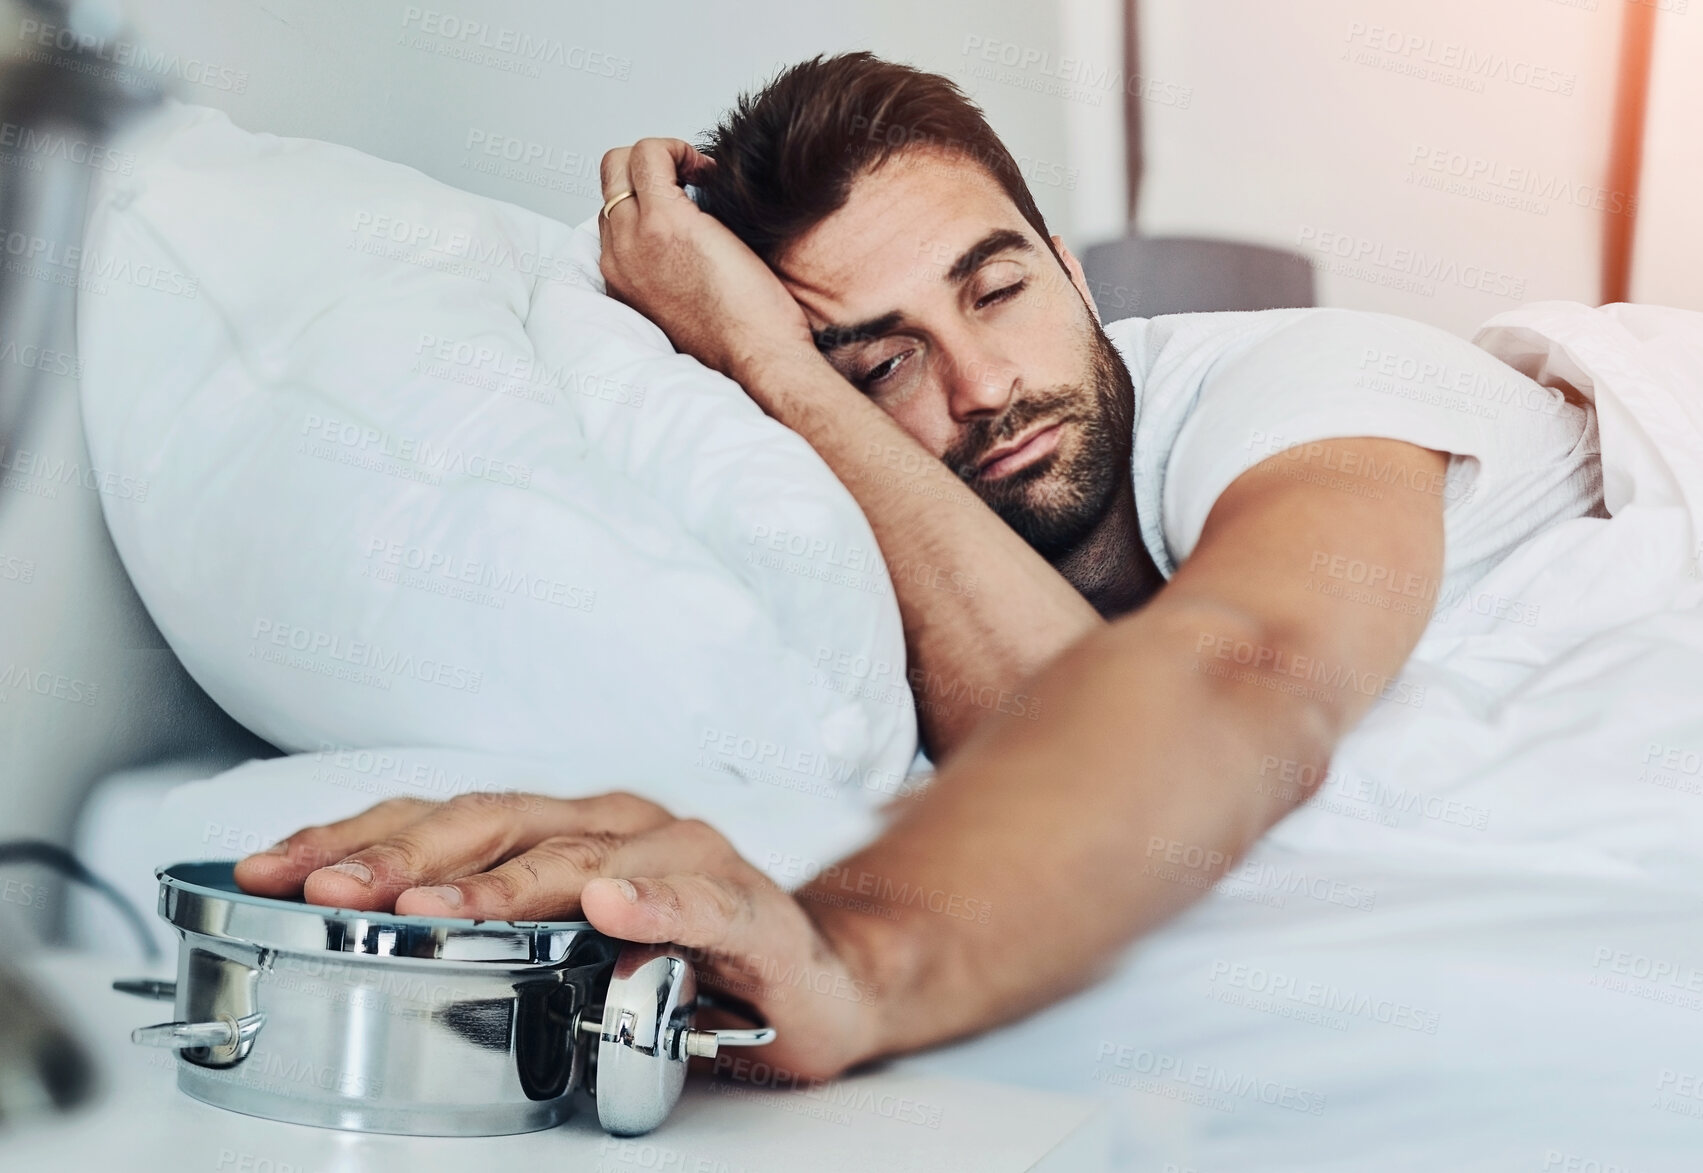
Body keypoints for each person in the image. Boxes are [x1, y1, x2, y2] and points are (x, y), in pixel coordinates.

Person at [234, 53, 1603, 1081]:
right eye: (882, 362)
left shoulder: (1315, 383)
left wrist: (855, 956)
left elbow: (1231, 689)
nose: (984, 385)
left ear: (1072, 269)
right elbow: (1082, 724)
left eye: (998, 289)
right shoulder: (894, 557)